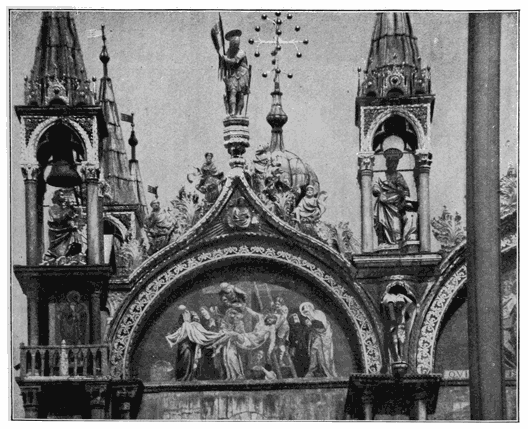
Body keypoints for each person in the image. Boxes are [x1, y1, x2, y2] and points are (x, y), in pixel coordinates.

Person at [372, 148, 417, 247]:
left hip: (396, 205)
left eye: (395, 163)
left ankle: (396, 242)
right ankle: (385, 242)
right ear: (387, 163)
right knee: (383, 223)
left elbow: (406, 191)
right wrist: (377, 190)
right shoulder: (381, 175)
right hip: (384, 204)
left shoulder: (399, 176)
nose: (393, 165)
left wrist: (401, 192)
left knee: (395, 225)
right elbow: (376, 186)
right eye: (391, 162)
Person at [166, 308, 223, 381]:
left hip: (190, 346)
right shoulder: (185, 325)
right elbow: (177, 334)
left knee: (189, 361)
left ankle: (187, 377)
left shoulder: (194, 325)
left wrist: (217, 335)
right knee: (185, 360)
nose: (197, 319)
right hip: (185, 346)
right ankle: (183, 377)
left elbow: (204, 334)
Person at [299, 302, 338, 378]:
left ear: (311, 309)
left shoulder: (318, 313)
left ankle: (326, 373)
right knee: (313, 352)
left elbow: (322, 326)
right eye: (305, 312)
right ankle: (313, 371)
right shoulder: (308, 319)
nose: (307, 314)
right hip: (316, 338)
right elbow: (311, 331)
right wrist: (309, 326)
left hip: (324, 338)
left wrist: (312, 322)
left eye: (307, 311)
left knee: (322, 356)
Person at [44, 189, 83, 261]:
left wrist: (73, 209)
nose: (64, 197)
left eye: (64, 195)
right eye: (62, 195)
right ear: (57, 196)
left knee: (76, 239)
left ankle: (72, 256)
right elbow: (57, 218)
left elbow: (73, 217)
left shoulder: (65, 208)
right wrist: (68, 211)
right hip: (58, 232)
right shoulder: (53, 207)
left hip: (68, 230)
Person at [221, 29, 250, 116]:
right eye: (234, 43)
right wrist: (223, 61)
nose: (236, 45)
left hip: (242, 74)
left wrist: (225, 59)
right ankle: (233, 111)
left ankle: (239, 112)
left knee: (240, 94)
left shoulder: (241, 52)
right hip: (233, 74)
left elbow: (234, 61)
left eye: (237, 43)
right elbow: (226, 65)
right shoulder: (228, 52)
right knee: (232, 91)